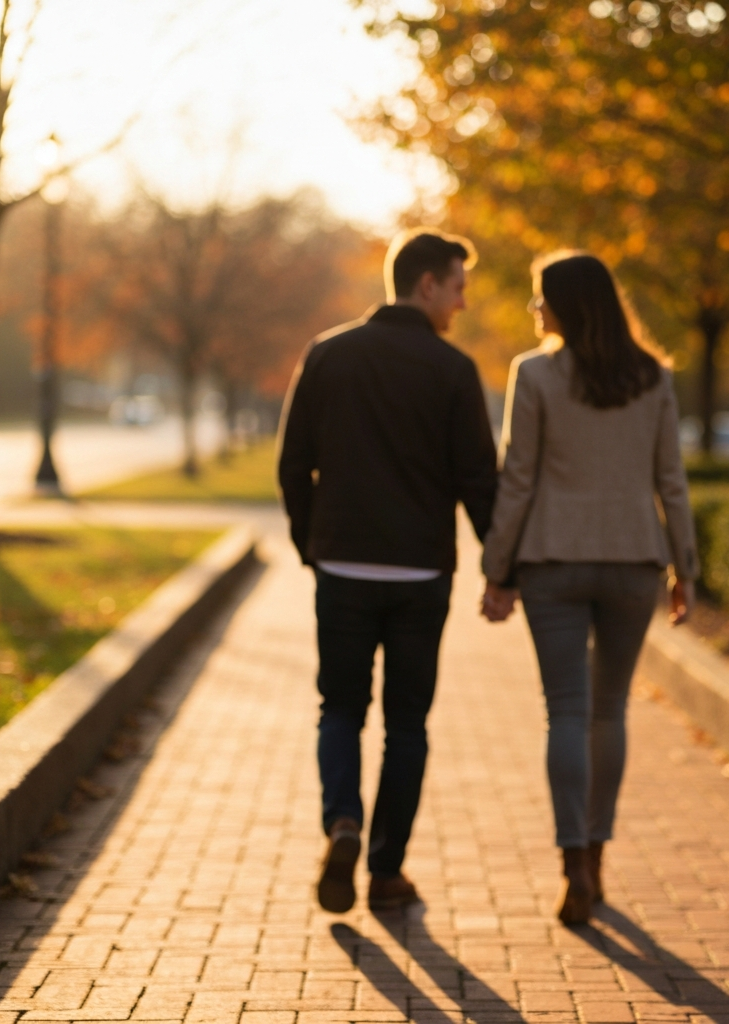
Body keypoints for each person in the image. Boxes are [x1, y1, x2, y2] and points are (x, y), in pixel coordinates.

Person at [278, 228, 497, 914]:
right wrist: (500, 563)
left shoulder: (328, 355)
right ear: (425, 284)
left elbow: (293, 465)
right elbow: (478, 480)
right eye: (457, 287)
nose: (462, 303)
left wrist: (311, 543)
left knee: (339, 707)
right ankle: (386, 871)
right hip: (419, 575)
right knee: (408, 725)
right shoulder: (453, 371)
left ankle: (343, 820)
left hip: (341, 565)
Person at [480, 251, 699, 926]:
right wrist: (684, 567)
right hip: (635, 559)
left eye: (539, 298)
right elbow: (672, 480)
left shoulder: (536, 374)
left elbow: (518, 478)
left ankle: (572, 861)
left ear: (567, 306)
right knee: (611, 712)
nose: (533, 310)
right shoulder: (653, 378)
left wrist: (497, 569)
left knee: (566, 713)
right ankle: (597, 859)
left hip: (553, 558)